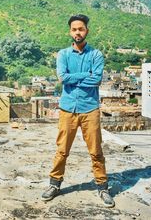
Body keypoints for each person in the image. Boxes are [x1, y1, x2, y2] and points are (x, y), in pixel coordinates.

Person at [41, 14, 115, 208]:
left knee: (96, 151)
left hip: (90, 109)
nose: (78, 32)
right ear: (70, 32)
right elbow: (63, 78)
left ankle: (102, 187)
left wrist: (79, 78)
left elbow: (97, 79)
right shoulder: (63, 54)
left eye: (81, 29)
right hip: (68, 109)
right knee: (62, 150)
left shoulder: (96, 55)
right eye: (74, 29)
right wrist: (86, 76)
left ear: (86, 31)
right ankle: (54, 185)